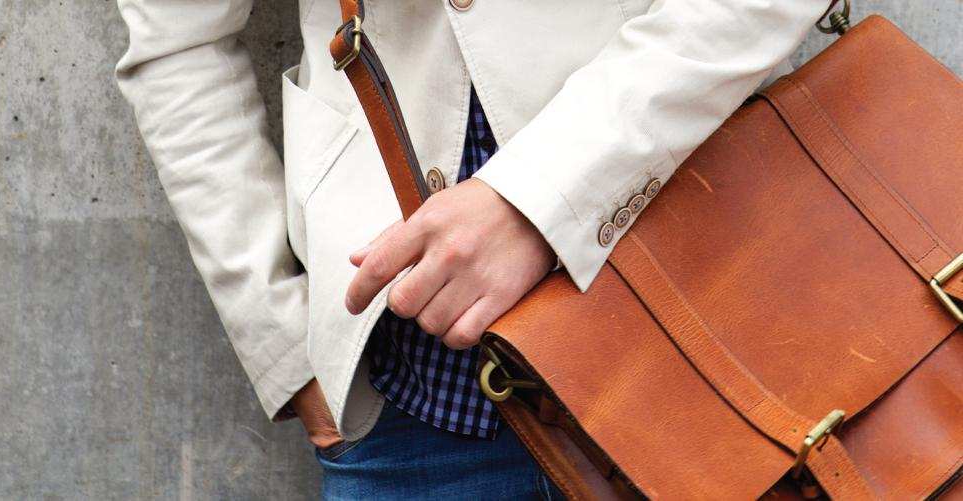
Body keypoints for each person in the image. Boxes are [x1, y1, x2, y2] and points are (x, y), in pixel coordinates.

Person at [115, 0, 833, 498]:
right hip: (413, 399)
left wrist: (540, 199)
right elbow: (179, 41)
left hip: (709, 331)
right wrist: (287, 349)